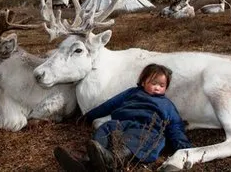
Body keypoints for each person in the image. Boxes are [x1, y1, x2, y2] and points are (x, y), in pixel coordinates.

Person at [54, 63, 191, 172]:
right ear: (143, 82)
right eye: (153, 83)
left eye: (162, 85)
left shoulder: (167, 104)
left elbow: (175, 126)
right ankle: (89, 159)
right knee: (105, 128)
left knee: (140, 138)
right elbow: (110, 104)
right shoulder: (132, 92)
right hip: (122, 123)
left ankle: (113, 160)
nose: (157, 88)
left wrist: (183, 147)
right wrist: (89, 116)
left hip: (147, 129)